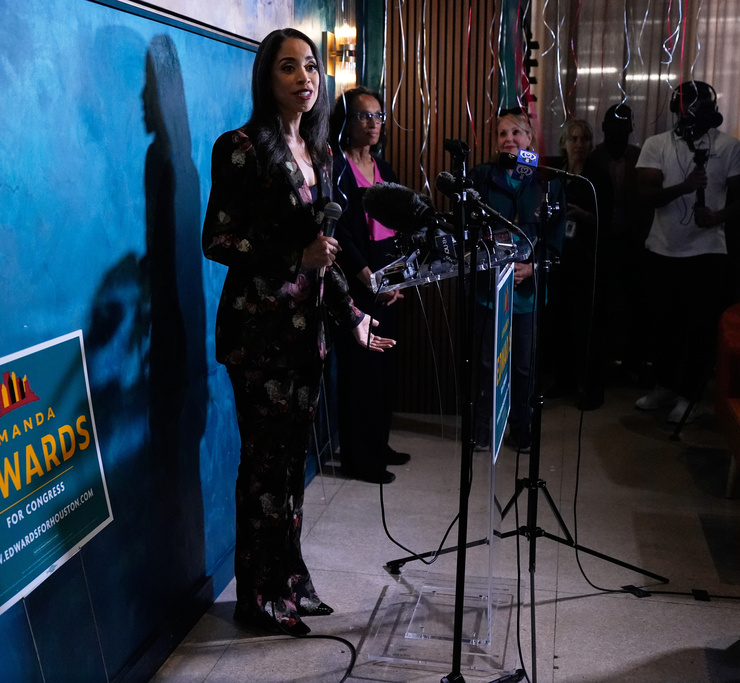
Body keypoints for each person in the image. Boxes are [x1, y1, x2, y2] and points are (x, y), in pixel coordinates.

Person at [202, 28, 395, 636]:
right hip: (259, 336)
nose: (304, 77)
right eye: (288, 67)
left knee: (291, 469)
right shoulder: (239, 147)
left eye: (310, 66)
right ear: (267, 77)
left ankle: (289, 583)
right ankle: (257, 599)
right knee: (264, 469)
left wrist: (353, 316)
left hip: (307, 335)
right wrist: (293, 256)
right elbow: (217, 239)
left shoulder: (321, 152)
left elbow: (325, 253)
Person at [634, 80, 740, 422]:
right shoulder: (656, 144)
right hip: (662, 250)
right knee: (662, 325)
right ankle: (665, 386)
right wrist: (684, 188)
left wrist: (717, 216)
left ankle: (689, 396)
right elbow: (645, 194)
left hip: (707, 253)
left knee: (699, 329)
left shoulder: (729, 147)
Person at [470, 107, 566, 452]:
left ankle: (521, 427)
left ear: (529, 139)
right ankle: (483, 428)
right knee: (486, 363)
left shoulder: (547, 182)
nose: (508, 139)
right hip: (488, 288)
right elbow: (469, 228)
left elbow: (556, 238)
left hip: (526, 292)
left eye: (516, 133)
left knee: (523, 365)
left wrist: (534, 266)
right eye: (502, 134)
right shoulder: (482, 176)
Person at [329, 86, 409, 484]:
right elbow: (340, 233)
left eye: (378, 116)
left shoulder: (384, 168)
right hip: (354, 281)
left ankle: (379, 444)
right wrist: (367, 276)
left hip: (386, 280)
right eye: (364, 115)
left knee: (384, 369)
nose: (374, 123)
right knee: (359, 374)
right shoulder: (335, 168)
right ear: (346, 121)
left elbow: (397, 225)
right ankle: (359, 459)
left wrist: (398, 277)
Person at [547, 118, 613, 409]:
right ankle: (563, 380)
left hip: (587, 260)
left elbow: (607, 220)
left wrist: (581, 214)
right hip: (560, 257)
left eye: (584, 139)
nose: (579, 145)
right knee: (559, 322)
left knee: (586, 326)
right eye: (573, 139)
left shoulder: (597, 177)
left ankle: (591, 389)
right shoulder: (557, 174)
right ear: (564, 143)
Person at [586, 103, 653, 381]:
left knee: (636, 305)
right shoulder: (594, 158)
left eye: (623, 125)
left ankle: (632, 363)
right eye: (613, 125)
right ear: (604, 128)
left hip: (633, 239)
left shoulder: (639, 157)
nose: (618, 130)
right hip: (601, 239)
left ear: (630, 128)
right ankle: (600, 364)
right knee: (599, 304)